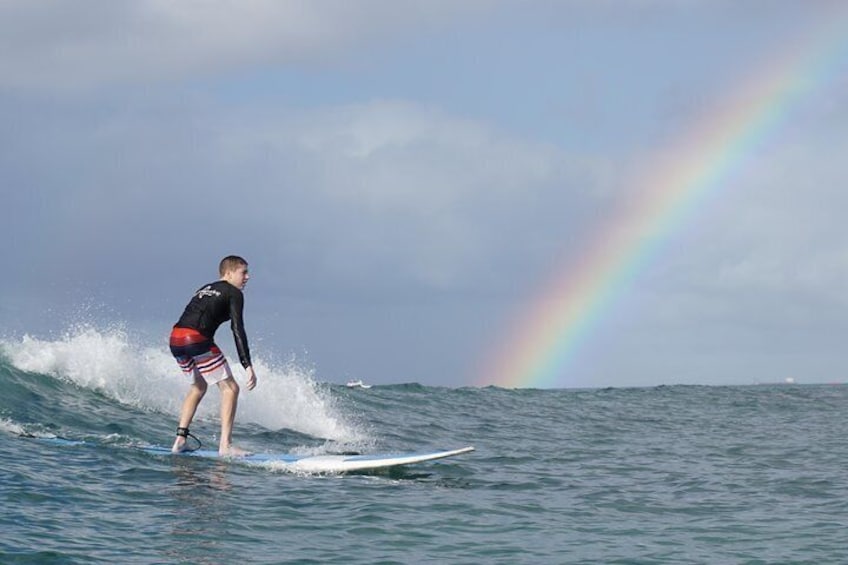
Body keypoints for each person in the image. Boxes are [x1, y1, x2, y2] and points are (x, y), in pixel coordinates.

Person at [169, 255, 258, 456]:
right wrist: (247, 365)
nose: (247, 277)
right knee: (230, 388)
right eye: (243, 272)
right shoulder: (233, 292)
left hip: (175, 338)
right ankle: (225, 445)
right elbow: (237, 328)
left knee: (198, 386)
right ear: (228, 273)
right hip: (195, 338)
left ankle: (180, 440)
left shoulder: (205, 288)